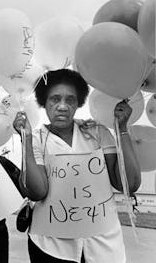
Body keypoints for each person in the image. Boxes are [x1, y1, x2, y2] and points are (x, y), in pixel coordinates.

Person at [12, 69, 141, 263]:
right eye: (54, 99)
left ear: (79, 103)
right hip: (51, 246)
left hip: (103, 245)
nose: (62, 106)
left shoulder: (97, 133)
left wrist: (122, 129)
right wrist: (26, 140)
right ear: (44, 103)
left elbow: (129, 184)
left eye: (70, 100)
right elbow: (37, 192)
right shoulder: (37, 139)